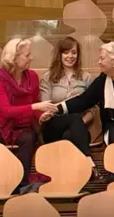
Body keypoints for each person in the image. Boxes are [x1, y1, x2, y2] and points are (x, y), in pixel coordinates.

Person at [0, 38, 58, 191]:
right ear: (13, 58)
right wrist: (35, 107)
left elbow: (35, 104)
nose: (31, 58)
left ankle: (21, 185)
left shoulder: (33, 77)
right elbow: (5, 110)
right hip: (1, 125)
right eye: (26, 55)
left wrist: (40, 116)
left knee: (29, 138)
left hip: (23, 126)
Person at [39, 36, 101, 179]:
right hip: (53, 126)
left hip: (79, 128)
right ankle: (89, 164)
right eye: (66, 52)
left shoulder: (85, 78)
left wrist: (79, 123)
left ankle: (69, 181)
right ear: (59, 55)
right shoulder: (48, 77)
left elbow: (92, 109)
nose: (70, 56)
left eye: (74, 52)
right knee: (72, 119)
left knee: (70, 134)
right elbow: (45, 106)